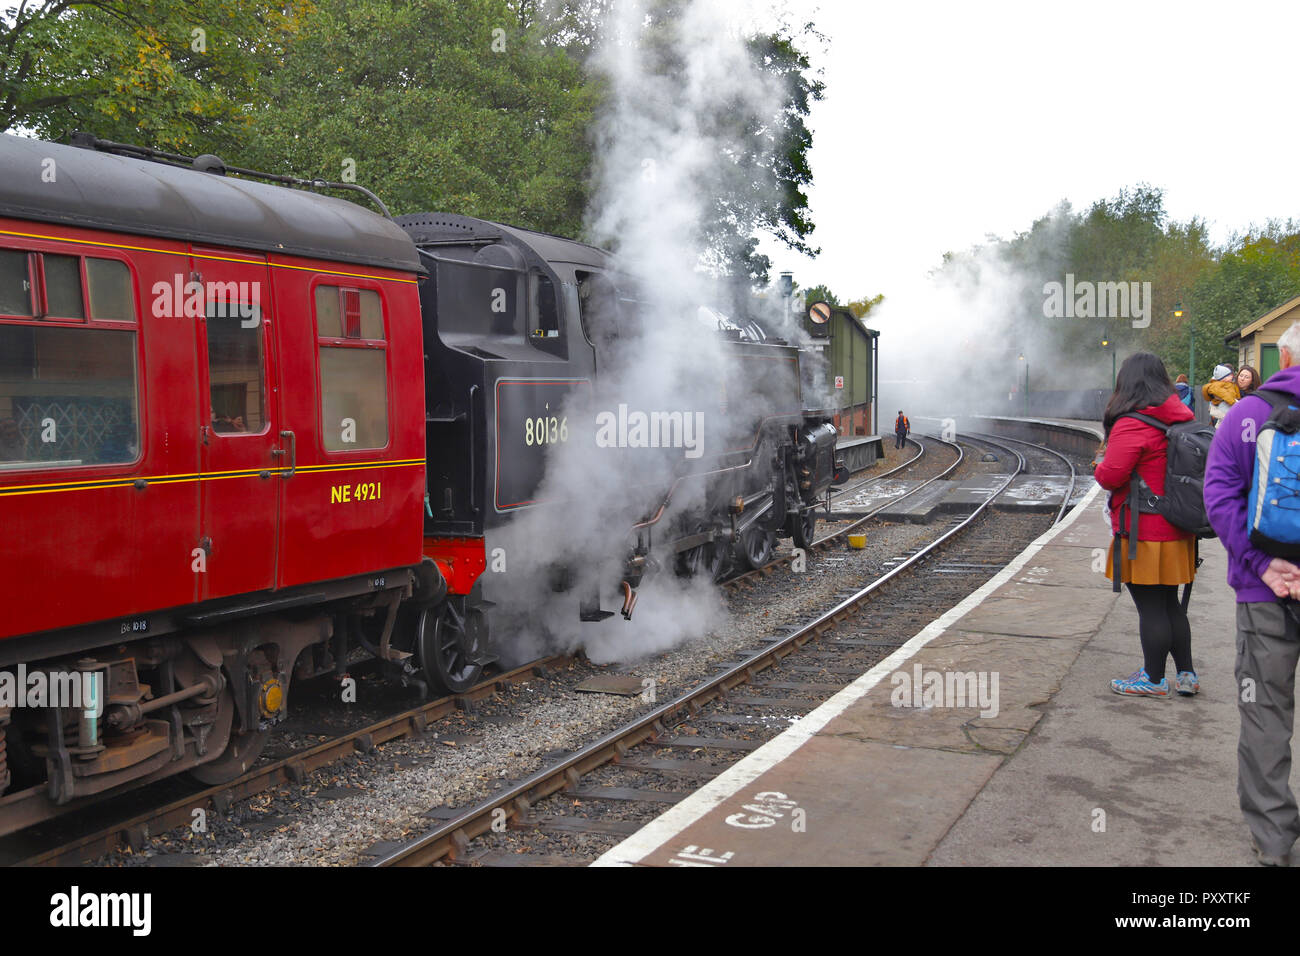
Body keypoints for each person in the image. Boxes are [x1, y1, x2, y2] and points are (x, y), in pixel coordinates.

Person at [1204, 320, 1300, 866]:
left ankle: (1274, 840)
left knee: (1265, 712)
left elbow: (1219, 498)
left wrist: (1263, 564)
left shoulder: (1245, 415)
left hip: (1263, 594)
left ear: (1282, 357)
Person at [1093, 352, 1197, 698]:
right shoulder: (1180, 418)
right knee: (1171, 604)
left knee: (1151, 607)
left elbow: (1111, 476)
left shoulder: (1133, 423)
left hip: (1144, 531)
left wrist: (1098, 464)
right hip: (1179, 527)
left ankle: (1153, 680)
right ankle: (1186, 675)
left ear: (1127, 383)